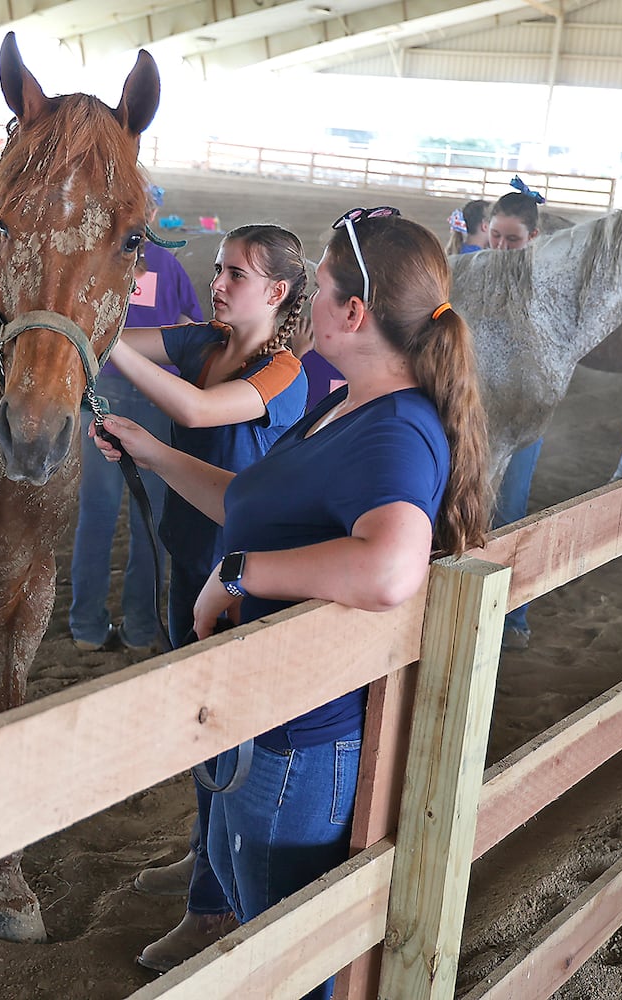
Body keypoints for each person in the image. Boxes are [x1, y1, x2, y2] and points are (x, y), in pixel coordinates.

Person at [95, 207, 492, 1000]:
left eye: (323, 292)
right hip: (275, 723)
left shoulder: (394, 430)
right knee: (266, 932)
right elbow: (250, 498)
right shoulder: (348, 405)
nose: (305, 305)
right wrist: (154, 452)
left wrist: (241, 573)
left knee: (283, 957)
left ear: (354, 313)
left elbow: (389, 567)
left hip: (298, 740)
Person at [108, 224, 308, 972]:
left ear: (278, 293)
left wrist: (103, 340)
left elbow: (194, 411)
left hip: (237, 582)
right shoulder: (201, 340)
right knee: (200, 728)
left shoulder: (284, 373)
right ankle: (204, 858)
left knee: (225, 734)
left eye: (234, 274)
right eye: (217, 269)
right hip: (187, 555)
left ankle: (212, 905)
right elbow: (129, 346)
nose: (216, 282)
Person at [69, 240, 202, 655]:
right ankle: (142, 626)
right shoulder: (167, 264)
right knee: (151, 519)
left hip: (102, 394)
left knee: (96, 514)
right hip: (156, 395)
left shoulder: (90, 254)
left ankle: (86, 626)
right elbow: (187, 326)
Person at [486, 182, 546, 649]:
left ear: (534, 237)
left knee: (510, 509)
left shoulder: (542, 288)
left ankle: (514, 617)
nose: (502, 247)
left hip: (520, 415)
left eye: (513, 239)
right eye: (496, 237)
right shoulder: (474, 273)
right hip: (473, 412)